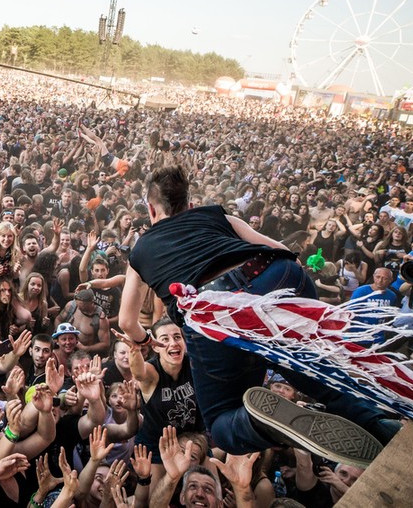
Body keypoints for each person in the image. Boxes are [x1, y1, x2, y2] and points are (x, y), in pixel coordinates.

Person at [118, 164, 391, 466]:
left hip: (214, 308)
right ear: (189, 204)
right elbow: (280, 249)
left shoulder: (141, 250)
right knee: (309, 372)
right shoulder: (216, 215)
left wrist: (146, 340)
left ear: (151, 210)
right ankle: (382, 426)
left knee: (222, 426)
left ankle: (270, 426)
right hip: (277, 276)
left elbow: (126, 322)